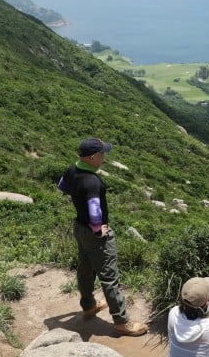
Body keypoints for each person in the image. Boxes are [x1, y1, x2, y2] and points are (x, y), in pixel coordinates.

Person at [57, 137, 147, 336]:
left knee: (85, 268)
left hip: (80, 228)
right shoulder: (91, 181)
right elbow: (95, 210)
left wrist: (77, 198)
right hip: (94, 233)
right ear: (92, 157)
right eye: (102, 154)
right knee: (109, 277)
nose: (104, 157)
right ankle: (121, 321)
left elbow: (62, 186)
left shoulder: (73, 169)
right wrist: (98, 229)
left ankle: (88, 305)